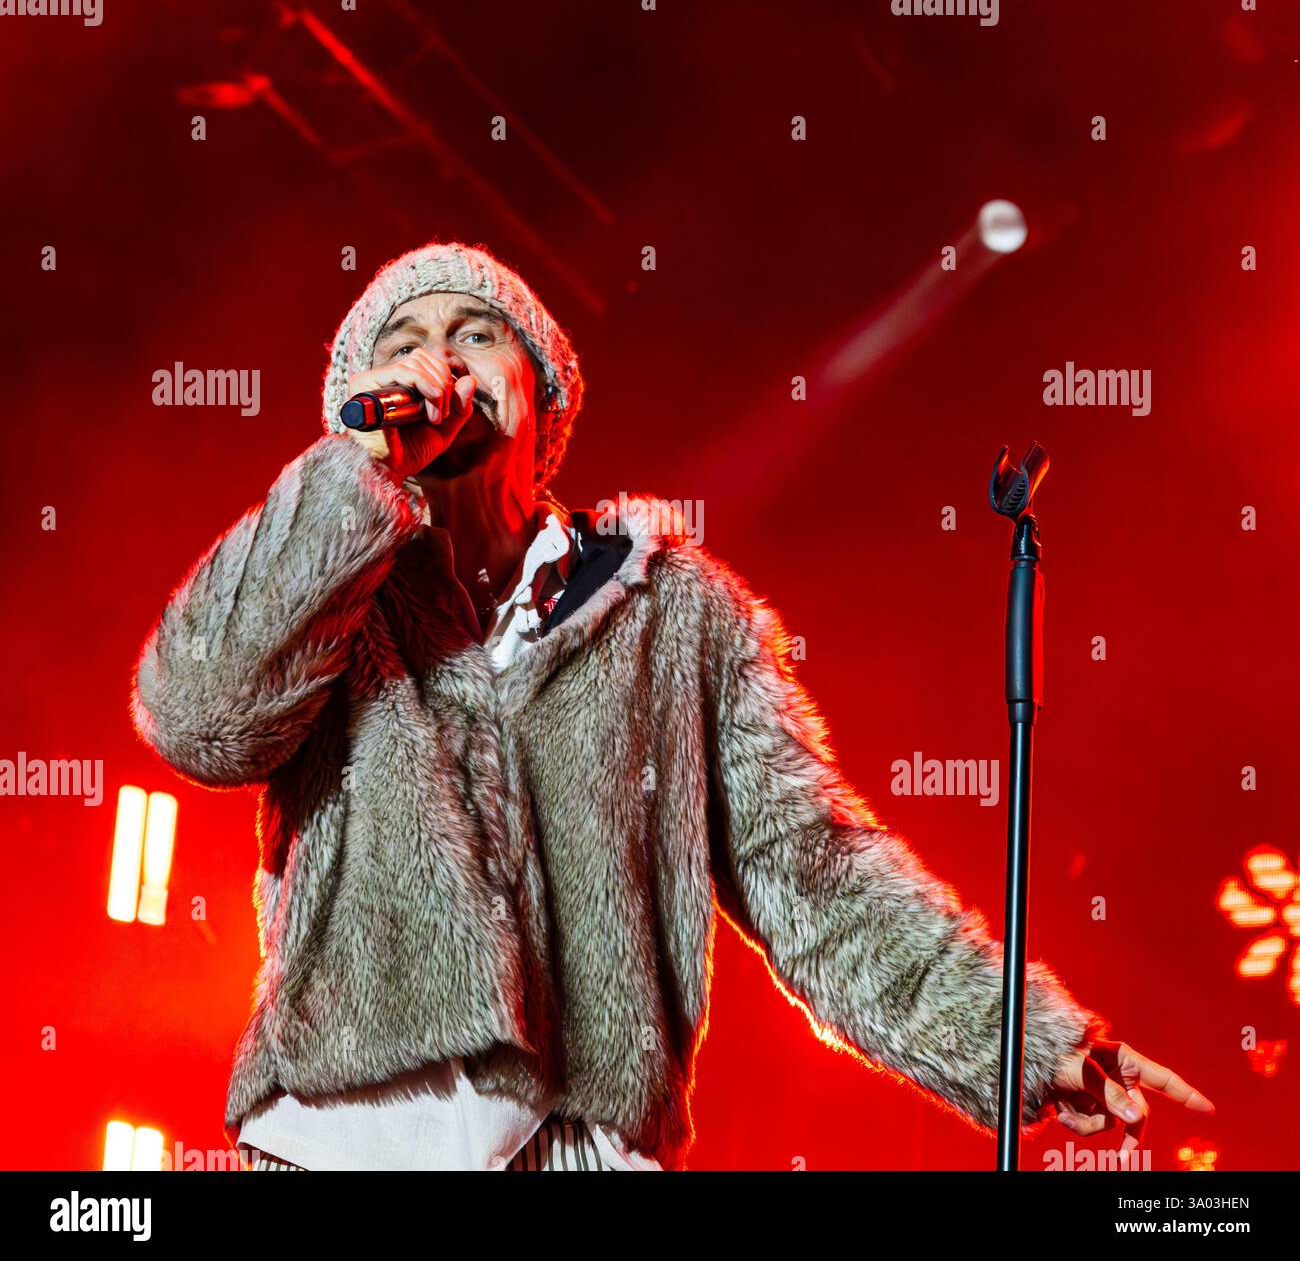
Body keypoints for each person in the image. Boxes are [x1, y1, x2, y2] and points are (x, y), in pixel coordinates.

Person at [131, 240, 1213, 1171]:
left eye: (474, 331)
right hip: (339, 1142)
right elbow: (197, 717)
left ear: (543, 394)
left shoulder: (677, 613)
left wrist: (1019, 1037)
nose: (438, 357)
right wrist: (347, 486)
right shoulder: (323, 596)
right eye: (403, 338)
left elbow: (815, 875)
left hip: (587, 1144)